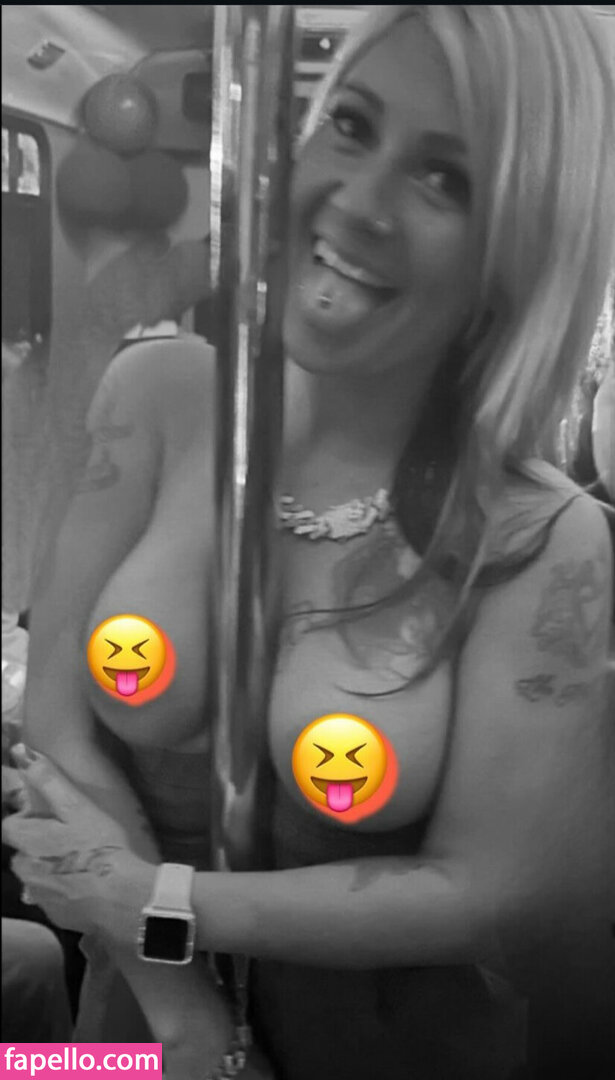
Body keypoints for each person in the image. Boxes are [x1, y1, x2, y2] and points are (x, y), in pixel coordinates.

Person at [4, 6, 615, 1079]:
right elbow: (54, 723)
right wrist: (182, 1012)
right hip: (132, 1038)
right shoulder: (153, 397)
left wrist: (160, 900)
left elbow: (494, 894)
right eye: (353, 125)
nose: (361, 202)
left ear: (521, 243)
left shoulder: (541, 539)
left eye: (444, 178)